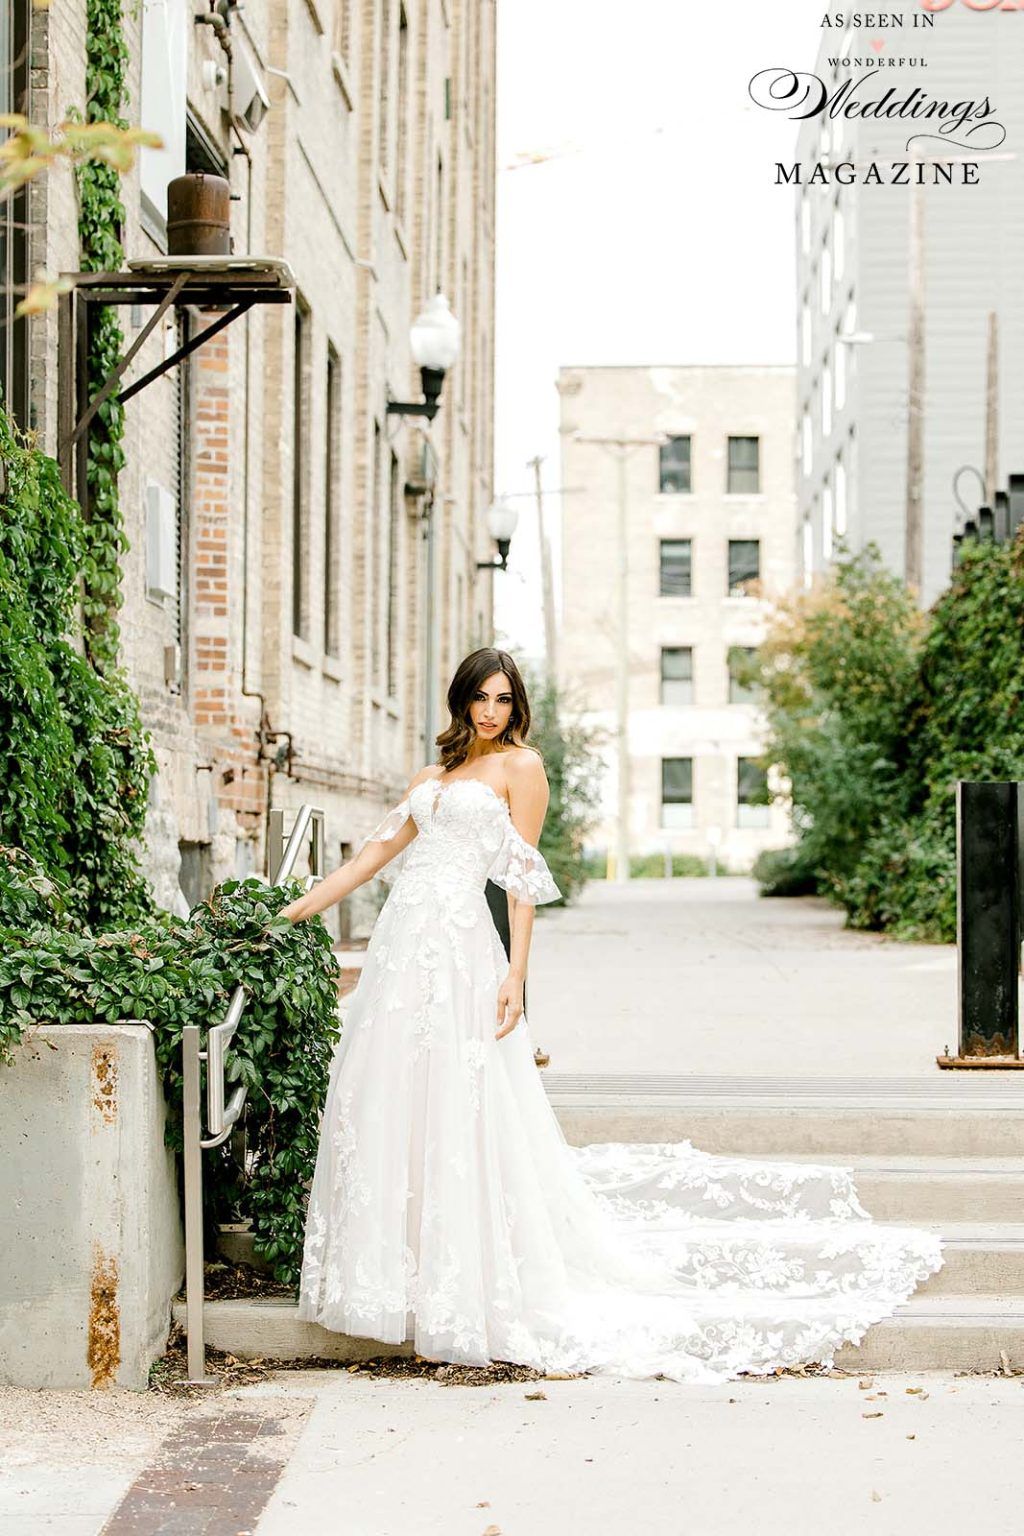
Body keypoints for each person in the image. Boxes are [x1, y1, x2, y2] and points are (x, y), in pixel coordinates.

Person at [281, 647, 943, 1383]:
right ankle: (400, 1292)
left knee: (461, 1107)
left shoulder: (521, 769)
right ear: (461, 700)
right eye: (481, 698)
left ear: (515, 705)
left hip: (464, 950)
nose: (492, 711)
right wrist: (289, 913)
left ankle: (460, 1300)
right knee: (397, 1102)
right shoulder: (430, 780)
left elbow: (523, 878)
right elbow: (366, 861)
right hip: (402, 955)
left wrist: (516, 973)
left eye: (503, 699)